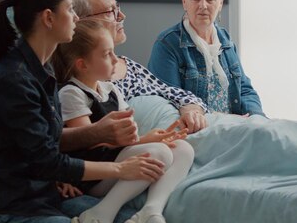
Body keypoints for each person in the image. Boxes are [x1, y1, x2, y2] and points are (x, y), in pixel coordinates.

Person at [0, 0, 167, 223]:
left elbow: (45, 140)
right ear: (49, 18)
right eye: (70, 10)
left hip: (46, 198)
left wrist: (100, 136)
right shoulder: (12, 81)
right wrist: (120, 169)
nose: (77, 18)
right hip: (8, 210)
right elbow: (47, 161)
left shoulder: (43, 72)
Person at [52, 19, 194, 223]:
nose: (115, 60)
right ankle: (100, 213)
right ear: (82, 65)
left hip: (115, 160)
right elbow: (89, 143)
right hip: (93, 174)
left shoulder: (111, 89)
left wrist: (151, 138)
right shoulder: (72, 93)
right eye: (106, 54)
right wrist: (146, 142)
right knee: (158, 152)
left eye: (113, 52)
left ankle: (151, 210)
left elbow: (126, 139)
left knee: (182, 148)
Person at [70, 0, 209, 134]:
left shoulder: (129, 66)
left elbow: (171, 92)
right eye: (111, 12)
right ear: (83, 22)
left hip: (194, 125)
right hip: (168, 137)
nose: (122, 16)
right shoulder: (85, 83)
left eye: (118, 7)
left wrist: (192, 110)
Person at [148, 0, 265, 116]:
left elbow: (245, 90)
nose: (203, 5)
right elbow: (165, 103)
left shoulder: (226, 42)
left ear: (220, 3)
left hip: (234, 126)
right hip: (196, 131)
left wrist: (256, 117)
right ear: (184, 2)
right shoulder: (167, 44)